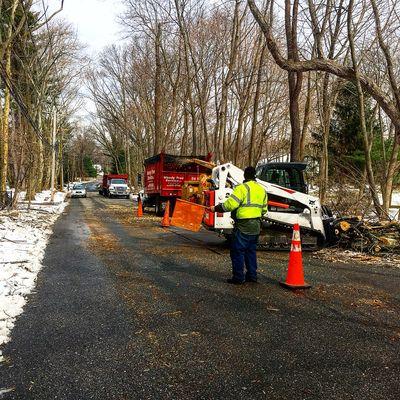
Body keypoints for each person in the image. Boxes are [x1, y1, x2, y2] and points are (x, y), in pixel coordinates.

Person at [209, 166, 268, 284]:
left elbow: (229, 205)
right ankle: (252, 276)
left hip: (243, 225)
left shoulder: (241, 188)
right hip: (256, 225)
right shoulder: (262, 190)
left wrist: (215, 208)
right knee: (251, 251)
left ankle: (238, 277)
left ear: (245, 176)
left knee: (238, 251)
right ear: (254, 175)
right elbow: (264, 210)